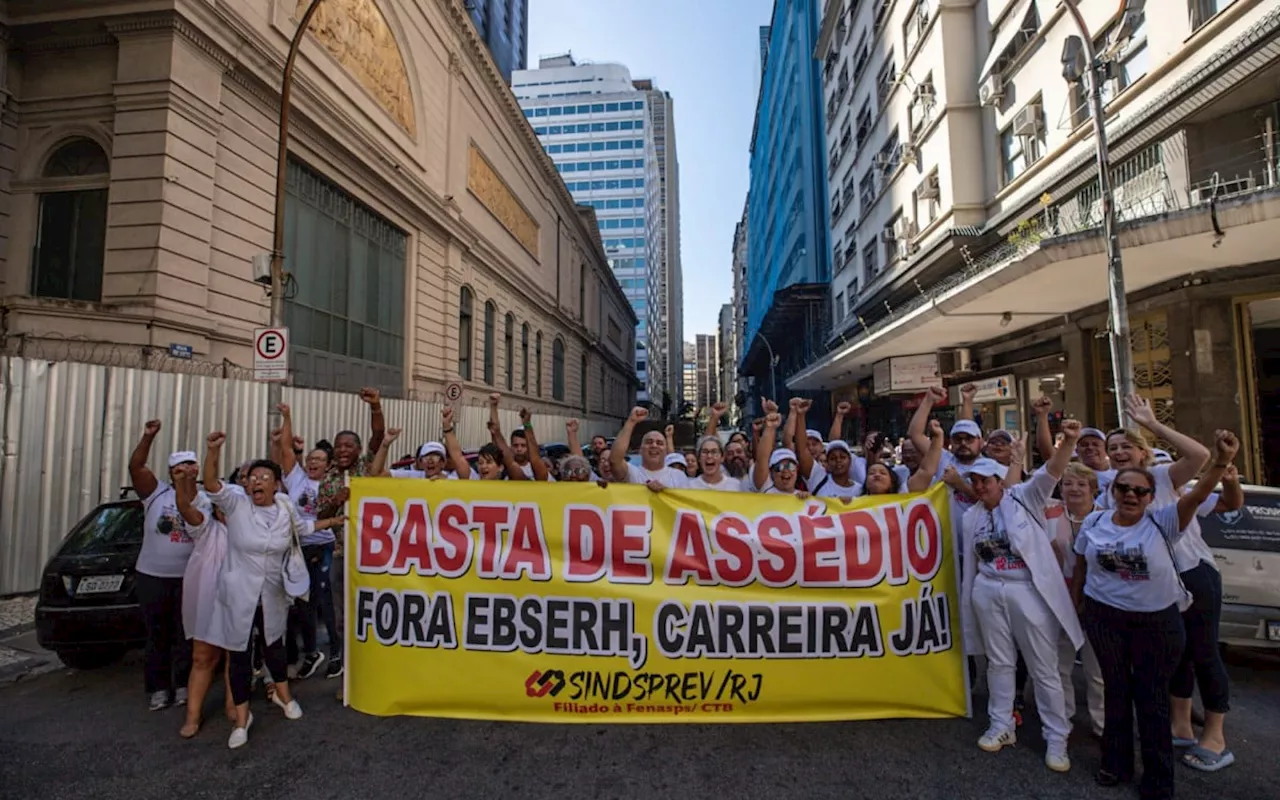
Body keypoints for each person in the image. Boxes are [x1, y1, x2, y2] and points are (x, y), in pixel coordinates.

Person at [1071, 430, 1237, 799]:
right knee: (1116, 693)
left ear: (1150, 497)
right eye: (1123, 489)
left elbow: (1196, 493)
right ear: (1112, 491)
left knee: (1151, 699)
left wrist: (1221, 461)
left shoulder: (1163, 522)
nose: (1131, 495)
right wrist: (1080, 603)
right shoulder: (1095, 523)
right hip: (1105, 619)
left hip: (1155, 624)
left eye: (1140, 491)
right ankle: (1115, 764)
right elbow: (1081, 563)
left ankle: (1158, 779)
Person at [200, 432, 344, 749]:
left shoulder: (284, 508)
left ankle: (284, 696)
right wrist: (212, 452)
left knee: (273, 647)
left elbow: (302, 529)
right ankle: (242, 719)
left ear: (277, 484)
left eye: (265, 477)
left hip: (272, 592)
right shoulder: (236, 503)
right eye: (253, 478)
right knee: (239, 653)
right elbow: (210, 483)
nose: (257, 482)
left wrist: (334, 519)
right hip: (238, 592)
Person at [960, 419, 1083, 772]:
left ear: (1001, 480)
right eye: (975, 481)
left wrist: (1069, 441)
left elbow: (1052, 472)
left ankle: (1057, 737)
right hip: (988, 588)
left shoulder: (1025, 499)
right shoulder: (972, 516)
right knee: (999, 662)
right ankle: (1002, 724)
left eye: (986, 480)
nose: (980, 486)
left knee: (1043, 666)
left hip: (1026, 590)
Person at [127, 420, 196, 712]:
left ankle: (183, 684)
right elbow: (137, 467)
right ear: (171, 473)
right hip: (153, 577)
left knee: (185, 633)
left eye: (191, 467)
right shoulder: (157, 494)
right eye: (179, 469)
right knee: (157, 634)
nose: (186, 472)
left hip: (189, 578)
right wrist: (148, 437)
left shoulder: (204, 498)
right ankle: (157, 688)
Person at [1046, 463, 1105, 738]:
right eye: (1068, 483)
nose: (1074, 489)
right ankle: (1063, 718)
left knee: (1098, 668)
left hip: (1097, 597)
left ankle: (1102, 724)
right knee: (1060, 664)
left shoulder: (1107, 518)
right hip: (1059, 595)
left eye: (1082, 484)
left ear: (1094, 489)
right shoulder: (1050, 515)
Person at [172, 469, 229, 738]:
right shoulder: (205, 527)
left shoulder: (249, 530)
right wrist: (183, 480)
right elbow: (184, 505)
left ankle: (234, 704)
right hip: (206, 596)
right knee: (203, 656)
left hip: (237, 597)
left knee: (235, 655)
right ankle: (193, 715)